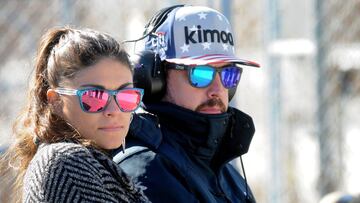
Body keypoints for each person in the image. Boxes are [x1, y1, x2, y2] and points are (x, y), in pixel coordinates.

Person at [112, 5, 260, 203]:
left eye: (228, 74)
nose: (217, 90)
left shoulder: (222, 169)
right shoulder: (145, 168)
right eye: (200, 73)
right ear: (155, 78)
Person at [0, 27, 149, 202]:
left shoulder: (87, 161)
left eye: (125, 96)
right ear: (55, 100)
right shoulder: (66, 164)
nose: (114, 111)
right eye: (94, 97)